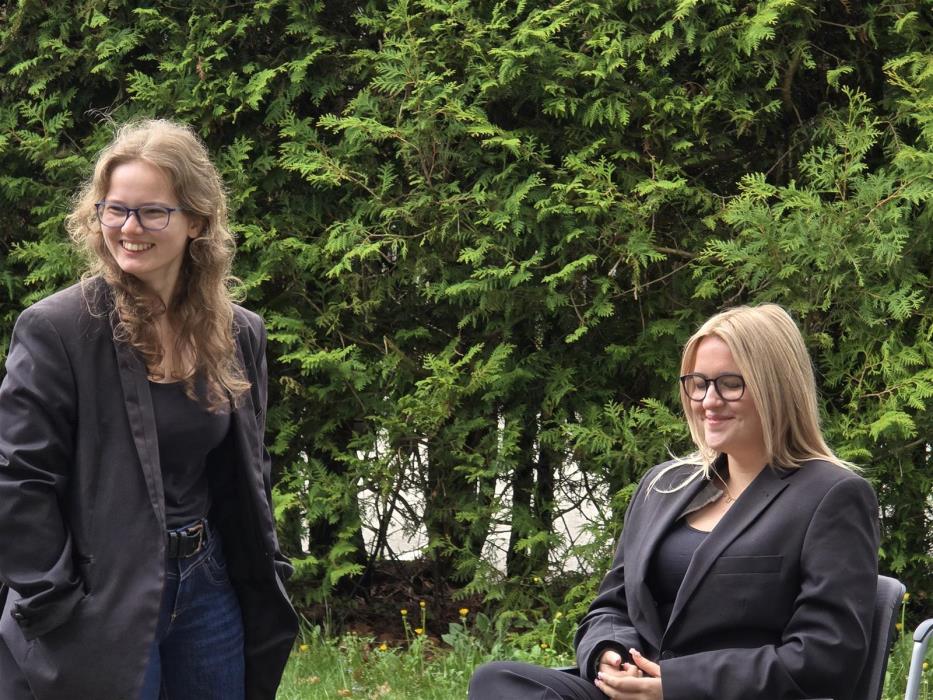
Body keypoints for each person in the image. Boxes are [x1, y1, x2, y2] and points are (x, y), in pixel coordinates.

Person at [0, 119, 298, 699]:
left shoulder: (238, 332)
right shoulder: (58, 330)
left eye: (152, 212)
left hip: (208, 581)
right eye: (115, 210)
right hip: (101, 591)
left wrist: (265, 560)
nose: (129, 228)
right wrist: (52, 597)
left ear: (197, 221)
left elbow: (250, 464)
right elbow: (18, 478)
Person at [469, 304, 879, 700]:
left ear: (776, 387)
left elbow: (826, 656)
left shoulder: (830, 495)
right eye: (698, 383)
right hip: (632, 692)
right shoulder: (663, 485)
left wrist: (675, 686)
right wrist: (608, 652)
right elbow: (611, 605)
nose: (708, 401)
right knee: (498, 682)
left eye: (730, 383)